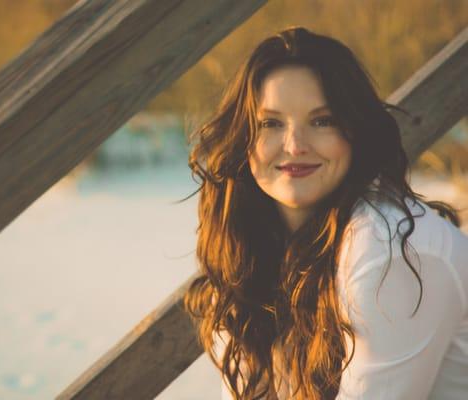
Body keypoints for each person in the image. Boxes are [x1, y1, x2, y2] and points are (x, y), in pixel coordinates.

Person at [182, 26, 468, 399]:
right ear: (243, 138)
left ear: (354, 129)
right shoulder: (255, 244)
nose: (295, 145)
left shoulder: (391, 249)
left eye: (322, 121)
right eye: (271, 123)